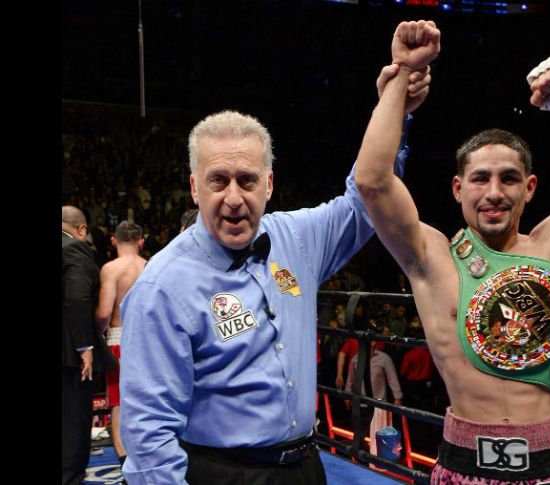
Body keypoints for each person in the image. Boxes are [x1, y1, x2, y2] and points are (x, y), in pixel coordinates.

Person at [355, 20, 550, 483]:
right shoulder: (430, 256)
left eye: (509, 178)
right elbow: (372, 180)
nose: (494, 192)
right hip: (464, 460)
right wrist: (401, 74)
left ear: (530, 188)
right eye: (481, 178)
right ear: (458, 188)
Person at [118, 51, 432, 484]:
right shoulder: (161, 286)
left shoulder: (295, 238)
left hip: (305, 466)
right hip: (221, 472)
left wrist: (392, 108)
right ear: (194, 187)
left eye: (247, 180)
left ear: (269, 184)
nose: (233, 197)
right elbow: (148, 431)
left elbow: (365, 203)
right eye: (218, 180)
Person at [62, 206, 117, 485]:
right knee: (73, 420)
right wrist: (85, 346)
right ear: (81, 230)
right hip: (69, 355)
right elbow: (76, 298)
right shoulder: (73, 249)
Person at [94, 221, 147, 477]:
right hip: (149, 340)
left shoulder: (111, 269)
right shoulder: (151, 266)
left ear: (113, 241)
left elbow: (104, 312)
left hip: (119, 337)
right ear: (141, 242)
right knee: (149, 400)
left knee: (118, 403)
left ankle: (126, 468)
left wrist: (96, 333)